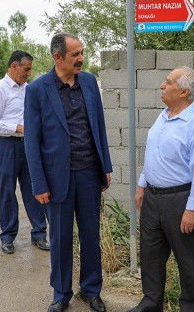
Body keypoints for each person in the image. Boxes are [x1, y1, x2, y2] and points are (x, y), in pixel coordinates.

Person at [24, 32, 113, 312]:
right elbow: (32, 141)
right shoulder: (37, 90)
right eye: (75, 54)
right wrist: (38, 183)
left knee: (90, 235)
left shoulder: (88, 82)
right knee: (61, 239)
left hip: (88, 173)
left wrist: (105, 166)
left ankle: (91, 290)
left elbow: (99, 125)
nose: (81, 59)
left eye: (82, 53)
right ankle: (61, 294)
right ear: (58, 57)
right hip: (55, 178)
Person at [126, 66, 194, 312]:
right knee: (151, 256)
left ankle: (190, 307)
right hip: (153, 198)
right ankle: (151, 303)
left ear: (184, 91)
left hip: (180, 201)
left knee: (188, 261)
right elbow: (155, 155)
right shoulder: (163, 116)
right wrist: (142, 184)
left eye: (168, 82)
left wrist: (193, 209)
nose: (162, 86)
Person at [0, 50, 49, 255]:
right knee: (7, 192)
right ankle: (8, 237)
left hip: (29, 146)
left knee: (34, 189)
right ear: (14, 66)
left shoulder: (29, 90)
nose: (28, 73)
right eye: (26, 69)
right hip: (6, 146)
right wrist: (18, 128)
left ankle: (39, 234)